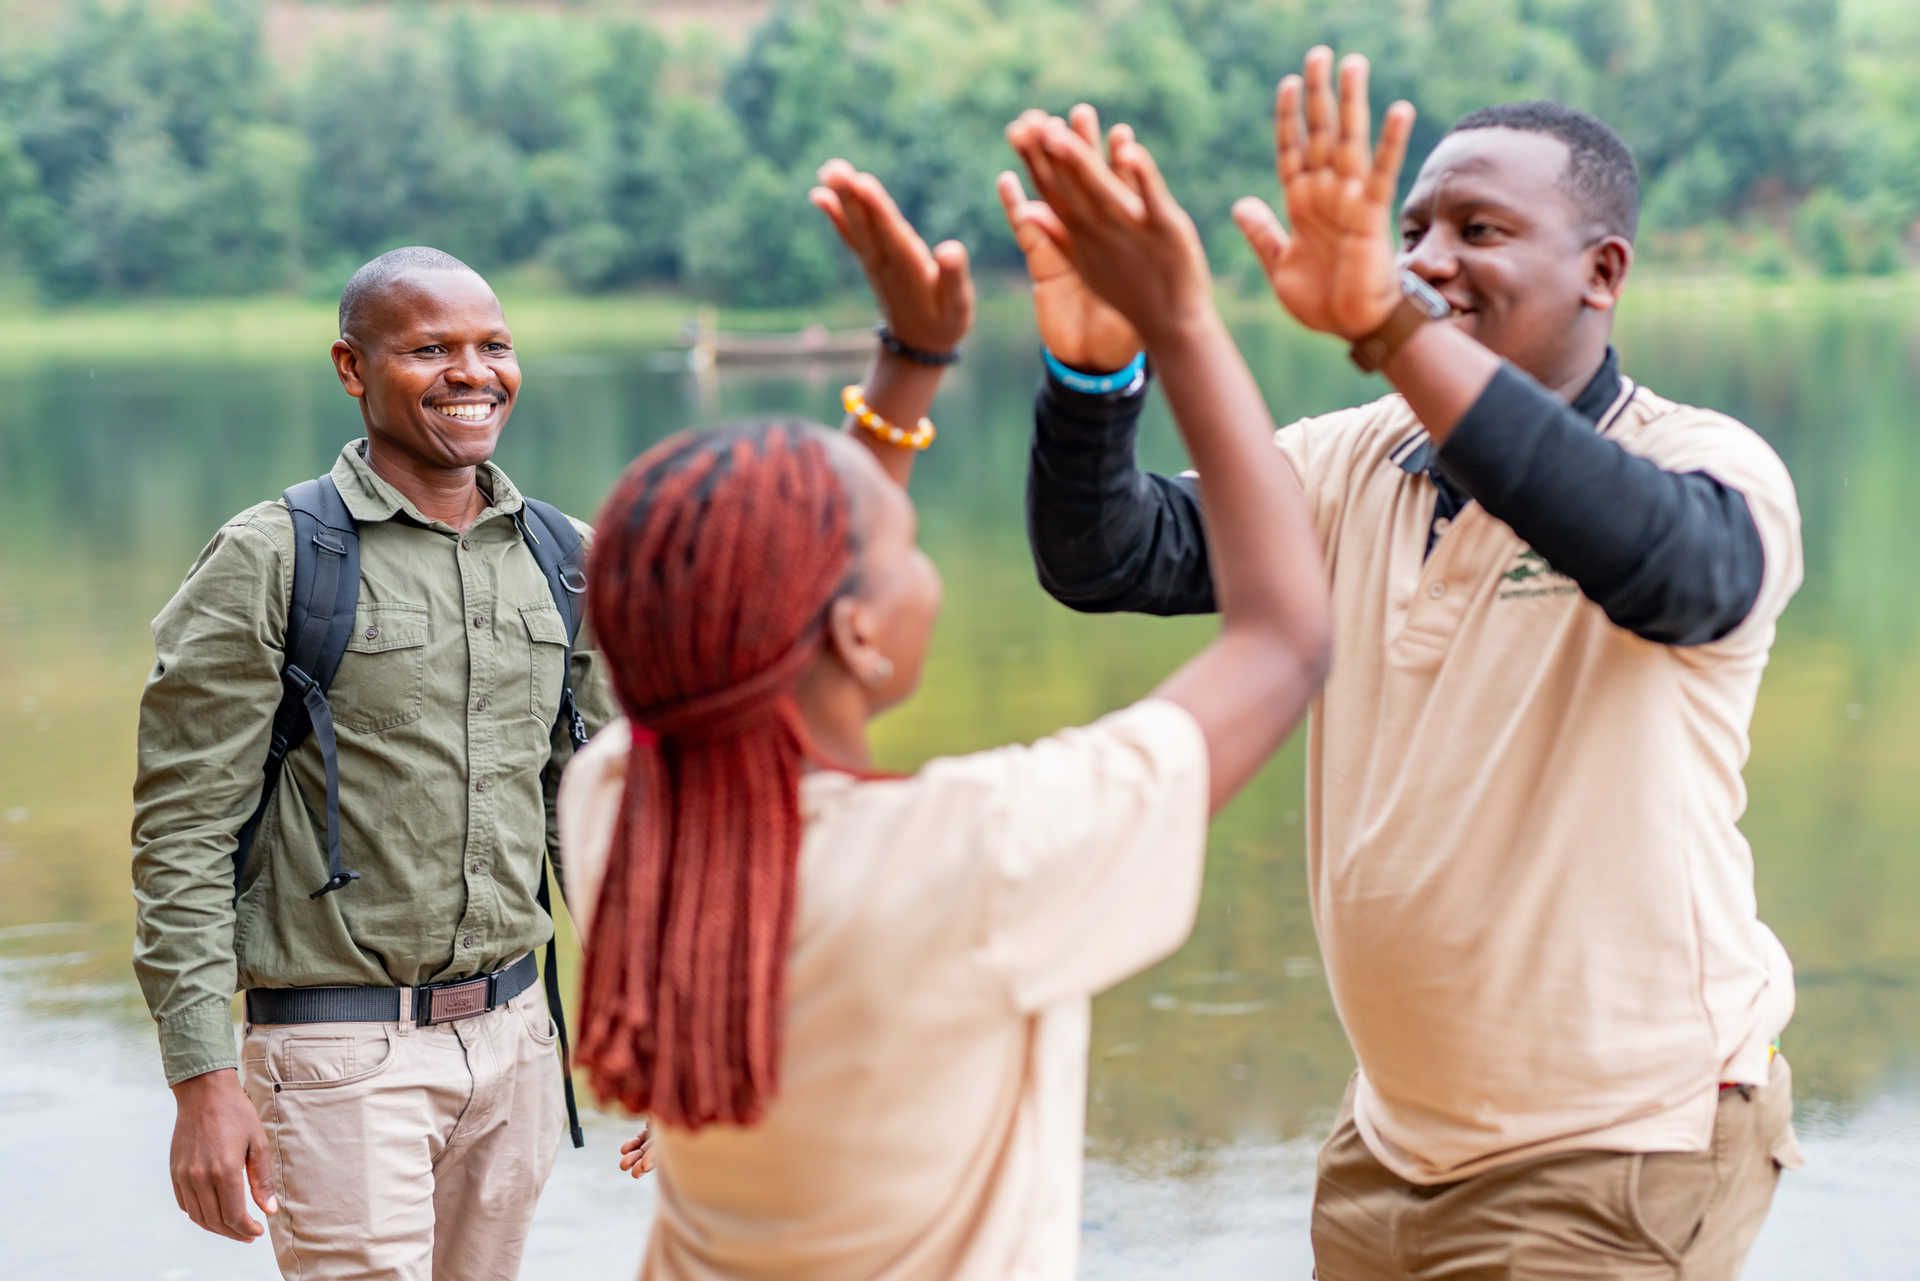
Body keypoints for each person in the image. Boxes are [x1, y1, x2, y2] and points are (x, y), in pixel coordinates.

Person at [1012, 49, 1805, 1280]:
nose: (1428, 259)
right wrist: (1095, 370)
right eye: (1415, 228)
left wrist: (1388, 329)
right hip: (1392, 1142)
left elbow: (1680, 575)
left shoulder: (1704, 462)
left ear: (1602, 273)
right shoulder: (1349, 461)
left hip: (1620, 1148)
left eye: (1478, 230)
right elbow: (1117, 555)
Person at [555, 144, 1331, 1281]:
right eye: (909, 553)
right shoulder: (978, 856)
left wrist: (912, 362)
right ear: (857, 635)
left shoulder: (626, 800)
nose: (925, 570)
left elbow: (788, 587)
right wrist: (1178, 320)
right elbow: (1285, 635)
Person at [131, 246, 615, 1279]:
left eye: (493, 345)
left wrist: (657, 1016)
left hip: (519, 1039)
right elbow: (183, 833)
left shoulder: (563, 556)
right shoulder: (274, 557)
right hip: (338, 1057)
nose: (473, 372)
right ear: (353, 369)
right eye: (430, 349)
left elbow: (593, 809)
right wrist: (201, 1078)